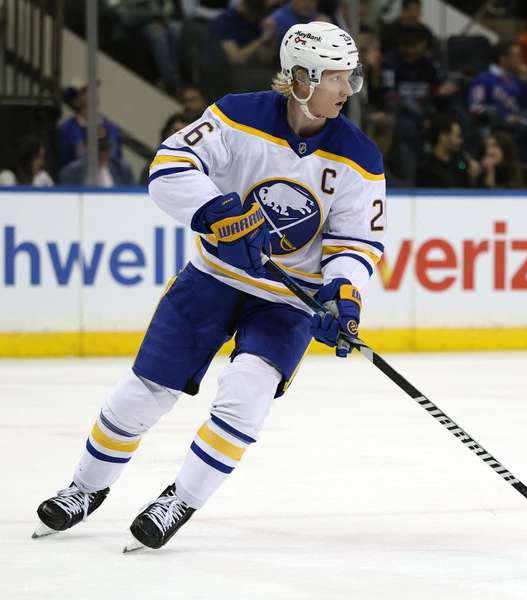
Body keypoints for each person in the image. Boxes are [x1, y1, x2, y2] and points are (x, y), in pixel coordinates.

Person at [34, 21, 386, 552]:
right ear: (301, 79)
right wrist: (217, 213)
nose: (347, 90)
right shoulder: (236, 115)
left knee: (246, 394)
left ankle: (181, 498)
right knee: (145, 391)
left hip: (287, 302)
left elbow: (356, 242)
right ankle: (84, 488)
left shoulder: (360, 156)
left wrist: (342, 295)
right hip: (212, 279)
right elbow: (171, 165)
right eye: (336, 78)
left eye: (349, 78)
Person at [57, 79, 123, 171]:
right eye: (85, 90)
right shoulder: (65, 130)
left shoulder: (112, 128)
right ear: (74, 100)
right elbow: (63, 167)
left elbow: (119, 164)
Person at [467, 41, 527, 126]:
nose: (520, 60)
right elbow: (476, 107)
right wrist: (504, 117)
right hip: (495, 128)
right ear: (503, 58)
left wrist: (525, 83)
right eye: (517, 56)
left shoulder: (518, 79)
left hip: (519, 126)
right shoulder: (483, 79)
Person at [414, 115, 480, 187]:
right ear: (443, 137)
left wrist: (472, 178)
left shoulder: (461, 164)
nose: (460, 141)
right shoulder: (425, 170)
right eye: (457, 136)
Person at [59, 126, 135, 187]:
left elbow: (132, 197)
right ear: (85, 146)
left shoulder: (122, 169)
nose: (103, 153)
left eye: (105, 146)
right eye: (99, 147)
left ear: (111, 146)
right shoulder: (72, 172)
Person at [141, 112, 192, 186]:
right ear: (166, 134)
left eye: (185, 134)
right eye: (176, 132)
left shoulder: (204, 166)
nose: (180, 138)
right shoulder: (152, 167)